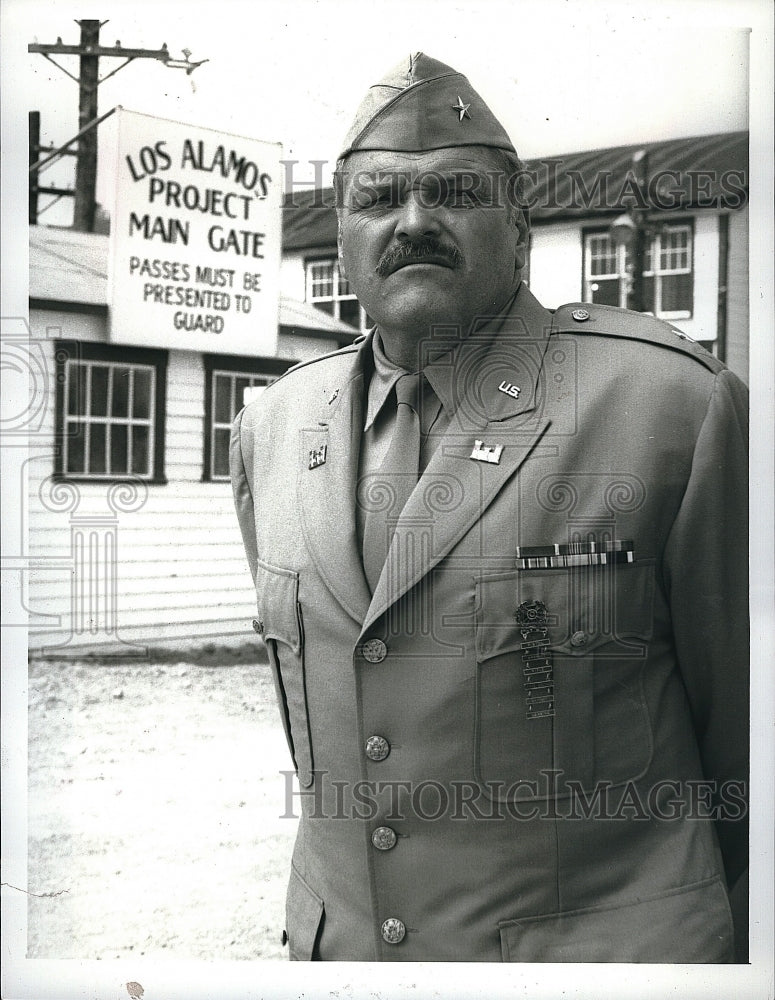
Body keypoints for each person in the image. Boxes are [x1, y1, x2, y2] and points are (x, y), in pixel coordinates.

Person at [230, 53, 748, 963]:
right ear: (342, 233)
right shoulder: (271, 428)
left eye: (454, 193)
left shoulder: (667, 408)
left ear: (518, 223)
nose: (414, 222)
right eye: (378, 198)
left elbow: (748, 745)